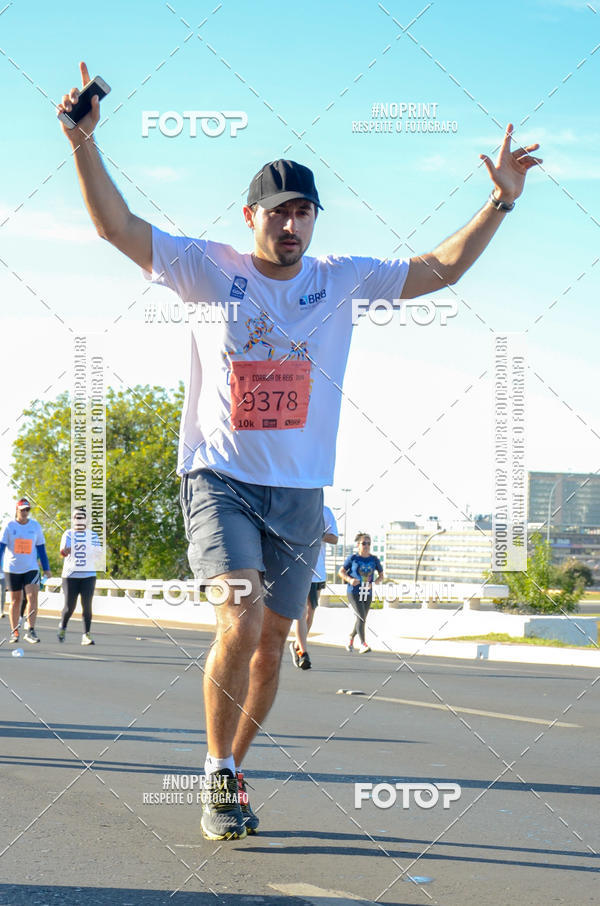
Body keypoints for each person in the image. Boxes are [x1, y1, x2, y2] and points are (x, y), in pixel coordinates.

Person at [58, 61, 540, 841]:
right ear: (250, 215)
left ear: (315, 221)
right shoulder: (205, 267)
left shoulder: (340, 279)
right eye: (278, 212)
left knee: (274, 648)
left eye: (304, 213)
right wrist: (81, 142)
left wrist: (499, 202)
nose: (291, 225)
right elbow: (115, 227)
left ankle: (234, 769)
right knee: (241, 620)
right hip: (221, 479)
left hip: (301, 493)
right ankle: (215, 771)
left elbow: (441, 269)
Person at [290, 504, 338, 670]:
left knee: (311, 611)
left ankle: (297, 644)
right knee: (301, 611)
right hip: (299, 567)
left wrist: (318, 535)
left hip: (318, 571)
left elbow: (334, 538)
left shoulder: (326, 511)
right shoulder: (297, 508)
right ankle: (303, 652)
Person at [0, 498, 51, 644]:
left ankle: (31, 630)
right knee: (16, 600)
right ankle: (14, 631)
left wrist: (46, 568)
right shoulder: (9, 526)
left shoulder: (35, 526)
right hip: (12, 568)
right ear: (17, 510)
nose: (25, 512)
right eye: (22, 510)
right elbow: (1, 548)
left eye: (27, 510)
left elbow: (41, 548)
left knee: (32, 596)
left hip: (31, 568)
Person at [57, 508, 99, 646]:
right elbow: (62, 552)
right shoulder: (68, 534)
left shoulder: (92, 535)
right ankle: (63, 626)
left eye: (82, 517)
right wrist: (66, 551)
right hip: (71, 575)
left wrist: (94, 552)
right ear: (73, 519)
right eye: (76, 517)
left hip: (88, 575)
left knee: (87, 605)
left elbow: (98, 554)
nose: (79, 520)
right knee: (70, 607)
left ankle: (86, 635)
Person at [339, 533, 384, 653]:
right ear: (358, 545)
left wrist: (373, 584)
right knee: (361, 617)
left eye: (369, 543)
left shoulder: (374, 559)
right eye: (364, 543)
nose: (367, 545)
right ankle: (363, 644)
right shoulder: (353, 558)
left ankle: (351, 637)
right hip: (353, 591)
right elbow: (341, 572)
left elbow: (381, 576)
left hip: (367, 592)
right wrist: (349, 579)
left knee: (362, 618)